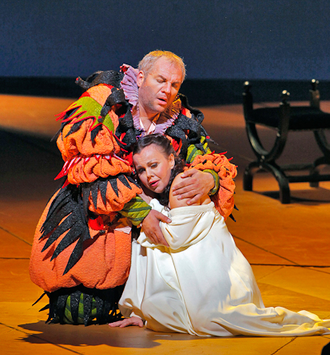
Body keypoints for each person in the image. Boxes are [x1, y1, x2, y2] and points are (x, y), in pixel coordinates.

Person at [29, 50, 231, 325]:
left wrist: (210, 177)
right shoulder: (104, 102)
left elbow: (203, 153)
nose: (167, 91)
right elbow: (89, 167)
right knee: (80, 309)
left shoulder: (178, 117)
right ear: (140, 76)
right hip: (103, 213)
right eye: (160, 80)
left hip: (156, 213)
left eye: (174, 85)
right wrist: (140, 213)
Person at [109, 134, 330, 337]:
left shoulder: (183, 184)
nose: (149, 175)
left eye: (154, 165)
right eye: (141, 170)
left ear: (171, 160)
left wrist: (147, 207)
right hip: (201, 278)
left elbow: (171, 239)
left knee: (208, 320)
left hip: (217, 282)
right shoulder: (161, 192)